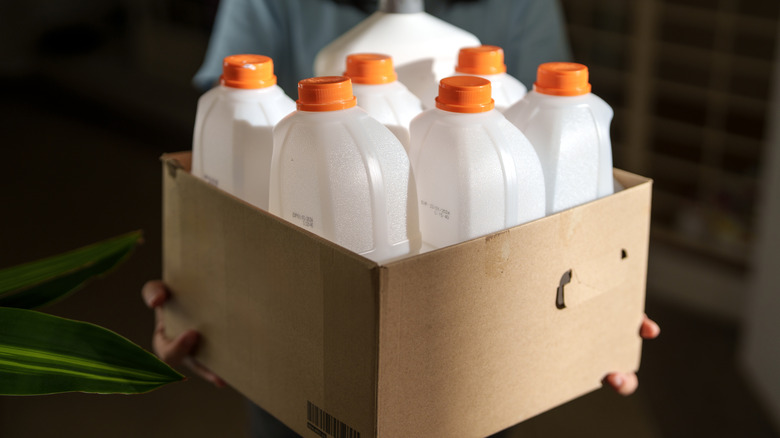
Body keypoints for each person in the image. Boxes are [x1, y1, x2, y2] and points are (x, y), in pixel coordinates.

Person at [148, 0, 662, 436]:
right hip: (289, 346)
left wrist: (597, 300)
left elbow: (552, 143)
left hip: (480, 367)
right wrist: (202, 291)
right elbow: (225, 160)